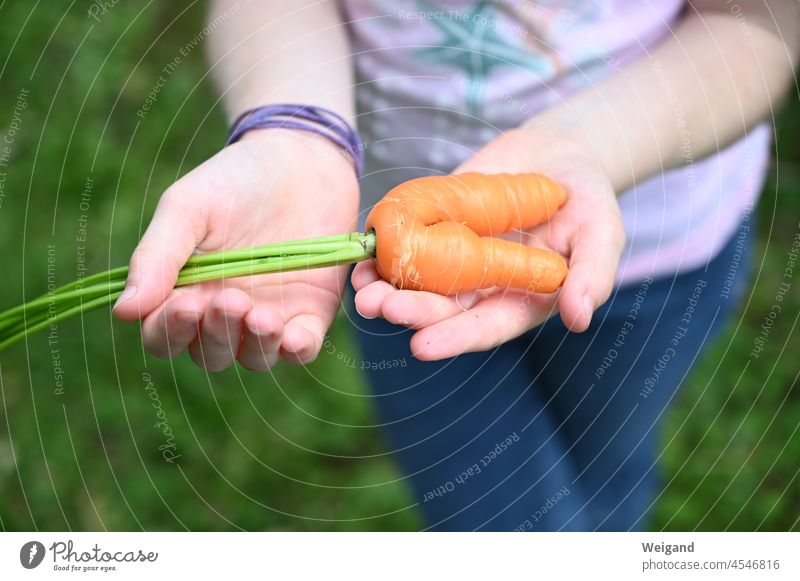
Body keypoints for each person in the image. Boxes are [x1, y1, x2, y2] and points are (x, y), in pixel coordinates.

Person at [112, 1, 799, 530]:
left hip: (661, 250)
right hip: (398, 286)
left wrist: (582, 148)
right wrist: (296, 130)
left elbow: (757, 24)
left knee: (609, 454)